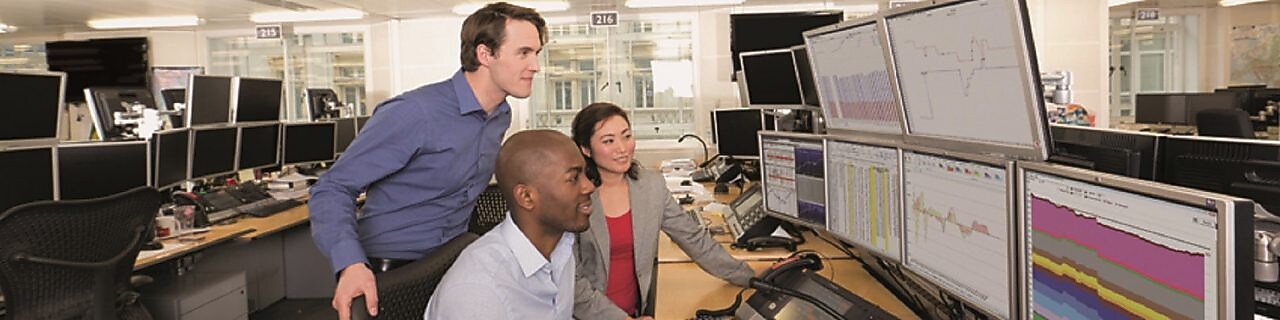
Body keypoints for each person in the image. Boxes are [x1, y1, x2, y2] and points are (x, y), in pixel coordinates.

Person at [307, 3, 546, 319]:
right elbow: (332, 188)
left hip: (451, 260)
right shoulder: (415, 113)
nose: (535, 66)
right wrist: (351, 264)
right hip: (393, 270)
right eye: (524, 53)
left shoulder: (500, 115)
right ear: (485, 54)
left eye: (536, 53)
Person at [570, 102, 755, 319]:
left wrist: (750, 277)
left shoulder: (652, 186)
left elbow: (693, 238)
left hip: (636, 312)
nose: (622, 148)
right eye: (608, 141)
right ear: (585, 148)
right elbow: (573, 283)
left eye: (626, 136)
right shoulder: (575, 197)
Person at [424, 130, 596, 319]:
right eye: (573, 178)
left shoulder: (562, 248)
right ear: (526, 197)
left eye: (585, 175)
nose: (589, 186)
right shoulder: (478, 294)